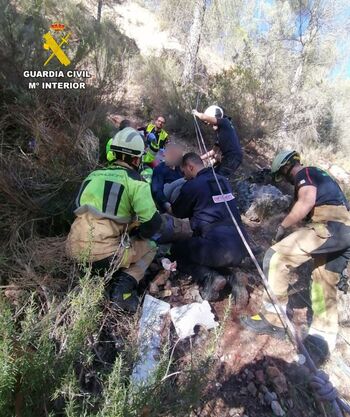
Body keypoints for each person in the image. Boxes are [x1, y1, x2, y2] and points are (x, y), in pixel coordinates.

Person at [241, 150, 350, 357]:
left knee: (275, 257)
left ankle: (274, 320)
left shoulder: (305, 173)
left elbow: (306, 201)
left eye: (282, 175)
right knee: (323, 280)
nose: (287, 181)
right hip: (345, 231)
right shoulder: (325, 177)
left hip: (329, 226)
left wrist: (282, 227)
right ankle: (322, 340)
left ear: (286, 167)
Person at [66, 127, 162, 313]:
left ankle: (95, 273)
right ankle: (123, 288)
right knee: (151, 246)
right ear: (136, 159)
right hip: (104, 256)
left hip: (72, 249)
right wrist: (137, 234)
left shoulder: (92, 176)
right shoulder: (137, 183)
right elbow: (153, 224)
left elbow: (74, 209)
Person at [171, 152, 248, 301]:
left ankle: (209, 277)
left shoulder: (192, 185)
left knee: (177, 250)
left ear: (190, 167)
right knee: (210, 251)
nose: (184, 176)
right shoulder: (223, 180)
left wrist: (165, 205)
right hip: (242, 245)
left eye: (184, 172)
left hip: (217, 248)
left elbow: (178, 212)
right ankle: (233, 278)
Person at [192, 105, 243, 178]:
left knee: (218, 177)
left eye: (208, 122)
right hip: (229, 157)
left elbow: (204, 117)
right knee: (212, 173)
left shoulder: (225, 122)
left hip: (233, 157)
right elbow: (213, 151)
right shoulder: (222, 132)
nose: (209, 124)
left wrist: (196, 113)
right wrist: (199, 159)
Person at [151, 143, 185, 213]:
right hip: (166, 200)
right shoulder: (160, 169)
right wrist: (166, 205)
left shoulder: (179, 169)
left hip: (180, 199)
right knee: (183, 181)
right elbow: (156, 190)